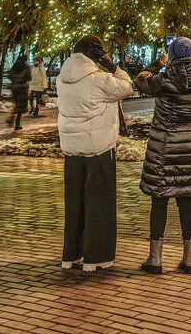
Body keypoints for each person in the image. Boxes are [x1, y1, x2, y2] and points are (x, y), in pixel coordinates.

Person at [58, 35, 134, 271]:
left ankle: (71, 255)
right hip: (98, 149)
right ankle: (96, 257)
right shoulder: (99, 80)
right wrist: (113, 66)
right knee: (98, 204)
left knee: (75, 204)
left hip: (72, 150)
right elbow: (128, 87)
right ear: (96, 54)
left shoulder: (63, 77)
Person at [135, 36, 191, 275]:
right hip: (189, 149)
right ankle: (190, 257)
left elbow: (140, 82)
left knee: (160, 199)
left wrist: (158, 64)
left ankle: (155, 257)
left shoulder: (164, 80)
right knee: (186, 199)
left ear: (173, 56)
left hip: (165, 152)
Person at [7, 53, 31, 132]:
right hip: (22, 88)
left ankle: (11, 116)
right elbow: (29, 78)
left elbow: (10, 76)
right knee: (21, 106)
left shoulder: (14, 66)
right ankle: (17, 124)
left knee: (16, 103)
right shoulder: (26, 67)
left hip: (14, 87)